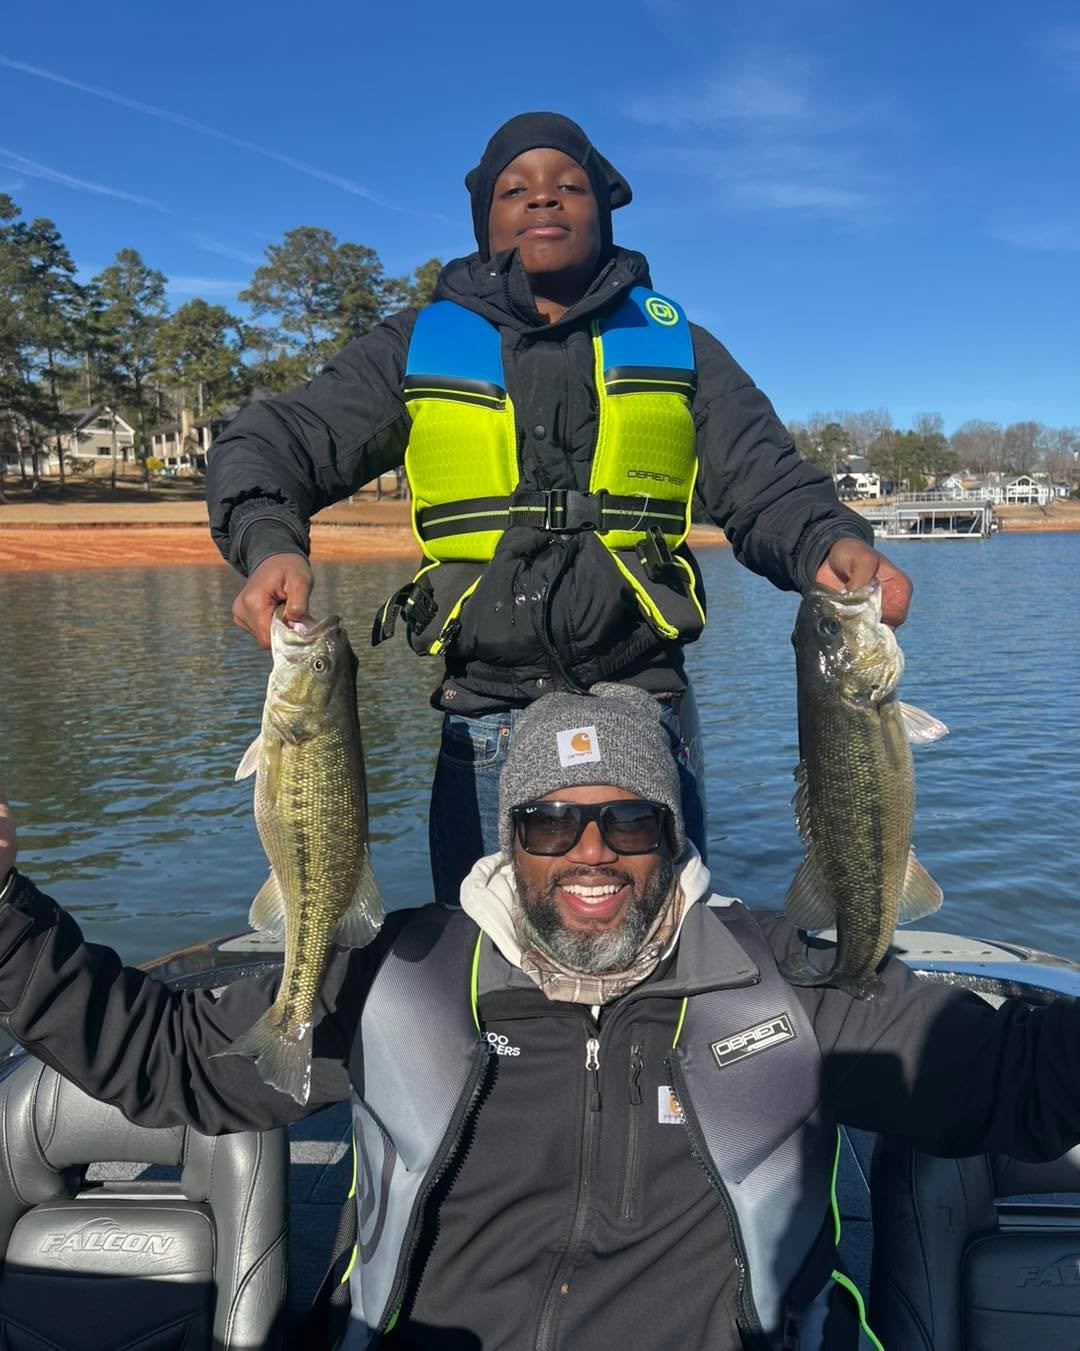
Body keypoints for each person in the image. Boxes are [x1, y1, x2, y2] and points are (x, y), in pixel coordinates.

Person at [4, 684, 1080, 1349]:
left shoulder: (788, 982)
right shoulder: (395, 971)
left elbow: (1019, 1080)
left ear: (673, 834)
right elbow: (164, 1062)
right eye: (550, 820)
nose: (591, 851)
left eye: (628, 820)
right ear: (506, 838)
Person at [205, 111, 913, 905]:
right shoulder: (416, 344)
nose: (544, 199)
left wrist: (827, 540)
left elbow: (768, 481)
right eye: (517, 188)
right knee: (481, 974)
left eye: (568, 185)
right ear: (487, 222)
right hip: (485, 719)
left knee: (663, 961)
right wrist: (269, 540)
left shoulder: (679, 346)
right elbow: (270, 440)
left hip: (647, 708)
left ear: (603, 213)